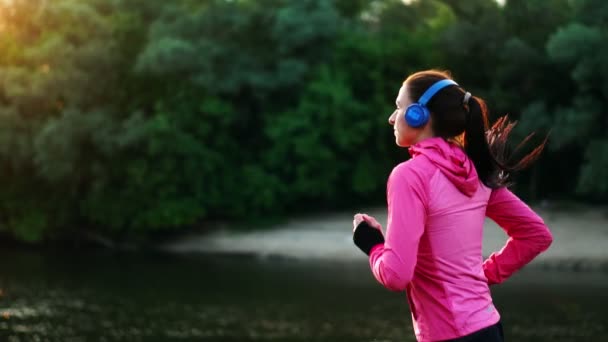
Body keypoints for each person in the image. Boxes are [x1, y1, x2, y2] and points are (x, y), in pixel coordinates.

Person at [352, 69, 553, 342]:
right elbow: (535, 235)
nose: (391, 117)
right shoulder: (474, 170)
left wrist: (373, 245)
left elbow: (396, 274)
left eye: (399, 107)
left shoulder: (409, 176)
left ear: (418, 114)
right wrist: (482, 276)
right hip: (489, 327)